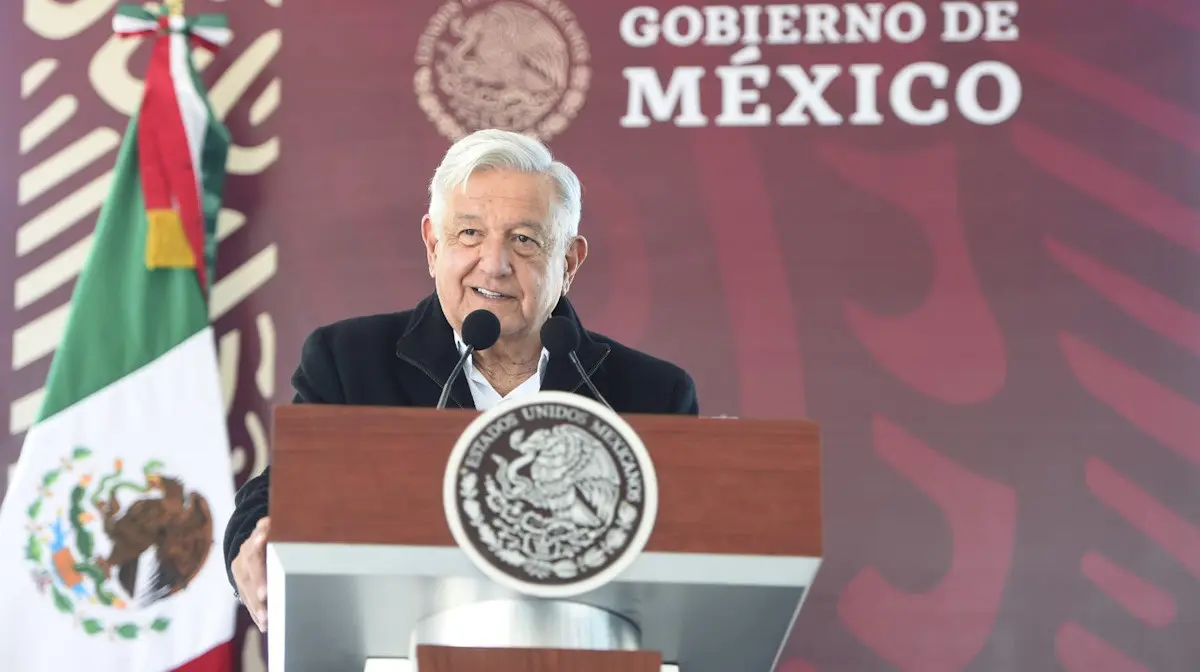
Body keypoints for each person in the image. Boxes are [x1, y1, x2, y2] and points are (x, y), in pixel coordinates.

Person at [223, 129, 699, 632]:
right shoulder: (351, 361)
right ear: (433, 245)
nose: (493, 265)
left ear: (570, 261)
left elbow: (693, 548)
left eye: (524, 240)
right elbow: (281, 493)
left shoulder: (649, 394)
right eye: (469, 234)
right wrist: (254, 546)